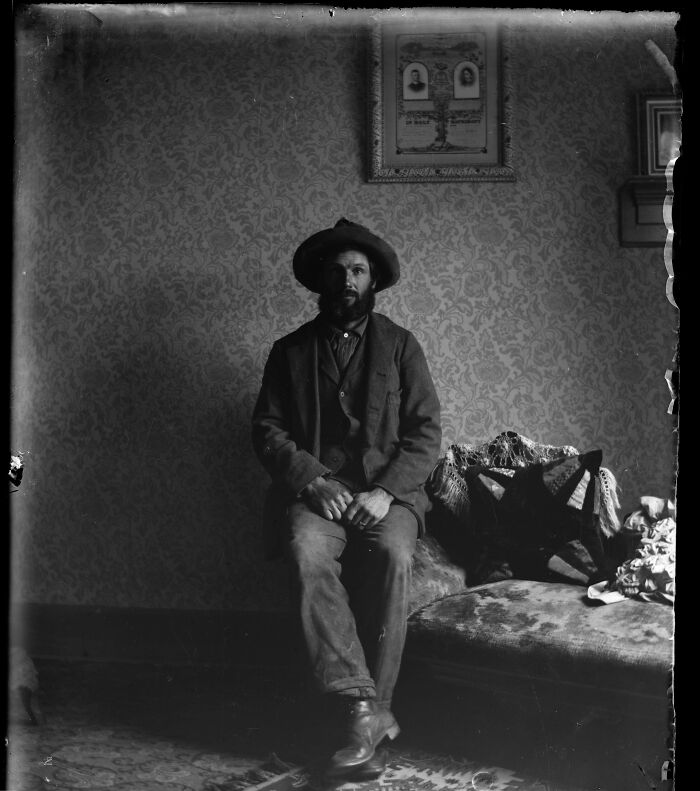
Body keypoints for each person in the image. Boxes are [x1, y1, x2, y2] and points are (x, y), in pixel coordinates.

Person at [251, 218, 442, 779]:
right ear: (319, 283)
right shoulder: (288, 352)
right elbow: (267, 430)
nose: (346, 281)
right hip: (319, 498)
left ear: (374, 280)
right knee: (306, 550)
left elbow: (425, 434)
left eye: (357, 271)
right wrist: (311, 481)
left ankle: (371, 713)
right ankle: (362, 707)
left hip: (389, 497)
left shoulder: (403, 346)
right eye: (335, 272)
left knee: (392, 554)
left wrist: (385, 492)